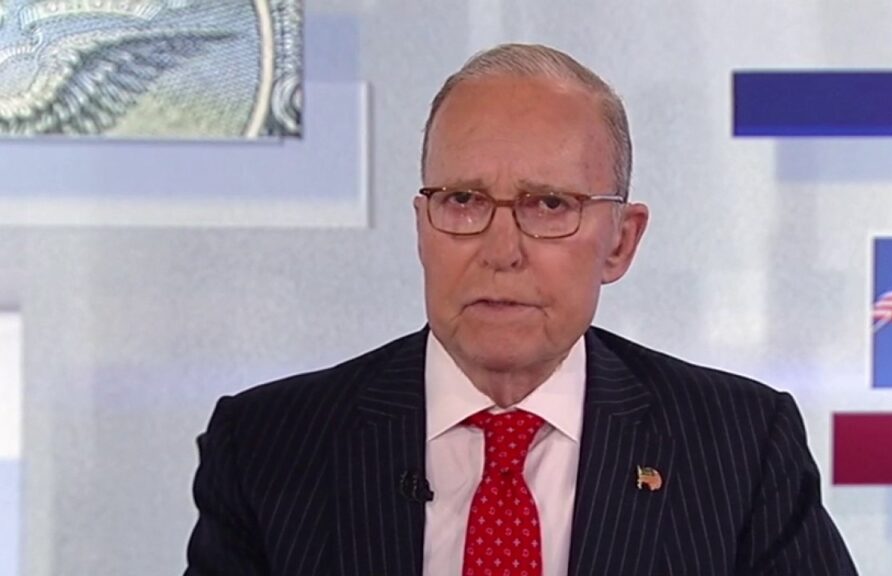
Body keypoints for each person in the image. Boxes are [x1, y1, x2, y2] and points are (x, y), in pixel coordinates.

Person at [185, 43, 857, 576]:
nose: (501, 251)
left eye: (550, 205)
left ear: (620, 242)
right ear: (422, 227)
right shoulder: (269, 446)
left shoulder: (740, 447)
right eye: (463, 201)